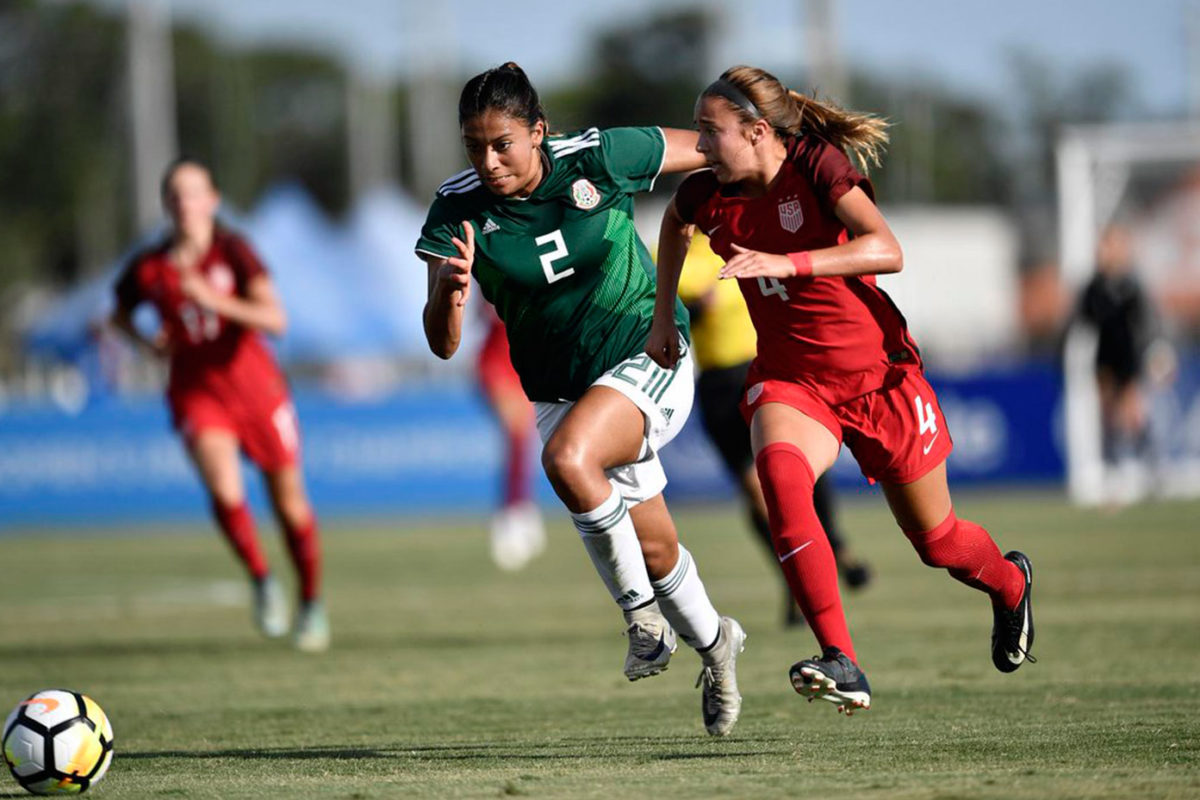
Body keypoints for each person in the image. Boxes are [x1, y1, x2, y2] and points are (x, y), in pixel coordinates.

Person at [647, 66, 1035, 715]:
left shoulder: (815, 166)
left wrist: (789, 264)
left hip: (879, 378)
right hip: (792, 380)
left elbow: (886, 248)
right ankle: (841, 658)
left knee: (938, 543)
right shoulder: (706, 192)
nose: (701, 145)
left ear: (757, 131)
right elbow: (673, 226)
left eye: (711, 132)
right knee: (779, 477)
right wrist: (664, 314)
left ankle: (1010, 585)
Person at [416, 62, 744, 736]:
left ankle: (642, 622)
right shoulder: (456, 208)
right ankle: (718, 648)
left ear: (538, 132)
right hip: (559, 386)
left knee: (568, 460)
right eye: (474, 147)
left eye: (502, 144)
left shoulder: (599, 156)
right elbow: (443, 345)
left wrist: (784, 165)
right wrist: (449, 291)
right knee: (657, 551)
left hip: (645, 350)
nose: (487, 161)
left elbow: (716, 148)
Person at [110, 157, 329, 653]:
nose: (185, 204)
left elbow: (275, 320)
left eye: (193, 193)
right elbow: (117, 314)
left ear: (212, 200)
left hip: (257, 390)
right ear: (166, 204)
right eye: (175, 195)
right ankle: (261, 578)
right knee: (225, 490)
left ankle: (311, 602)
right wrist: (147, 344)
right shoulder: (150, 266)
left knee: (290, 507)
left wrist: (214, 300)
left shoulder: (235, 252)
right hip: (197, 391)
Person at [675, 232, 871, 628]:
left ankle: (836, 547)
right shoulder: (673, 251)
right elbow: (665, 308)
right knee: (756, 491)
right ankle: (797, 575)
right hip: (718, 382)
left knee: (802, 467)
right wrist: (696, 307)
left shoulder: (741, 237)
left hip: (766, 368)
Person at [477, 301, 546, 570]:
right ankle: (510, 516)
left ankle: (521, 509)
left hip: (523, 361)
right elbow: (482, 313)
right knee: (515, 432)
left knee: (523, 439)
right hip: (497, 360)